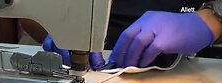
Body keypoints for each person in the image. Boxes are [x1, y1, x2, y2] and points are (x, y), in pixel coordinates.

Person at [20, 0, 222, 70]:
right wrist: (59, 27)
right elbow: (23, 13)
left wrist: (213, 20)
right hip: (64, 55)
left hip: (187, 59)